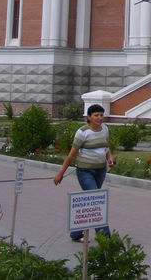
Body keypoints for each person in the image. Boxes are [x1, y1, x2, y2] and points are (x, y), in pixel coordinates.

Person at [54, 103, 114, 240]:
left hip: (100, 171)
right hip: (85, 172)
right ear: (89, 117)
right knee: (96, 201)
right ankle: (106, 239)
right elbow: (71, 154)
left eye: (101, 115)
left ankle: (76, 233)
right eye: (96, 115)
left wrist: (109, 158)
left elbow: (106, 147)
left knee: (91, 201)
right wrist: (60, 173)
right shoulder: (82, 132)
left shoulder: (105, 129)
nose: (99, 118)